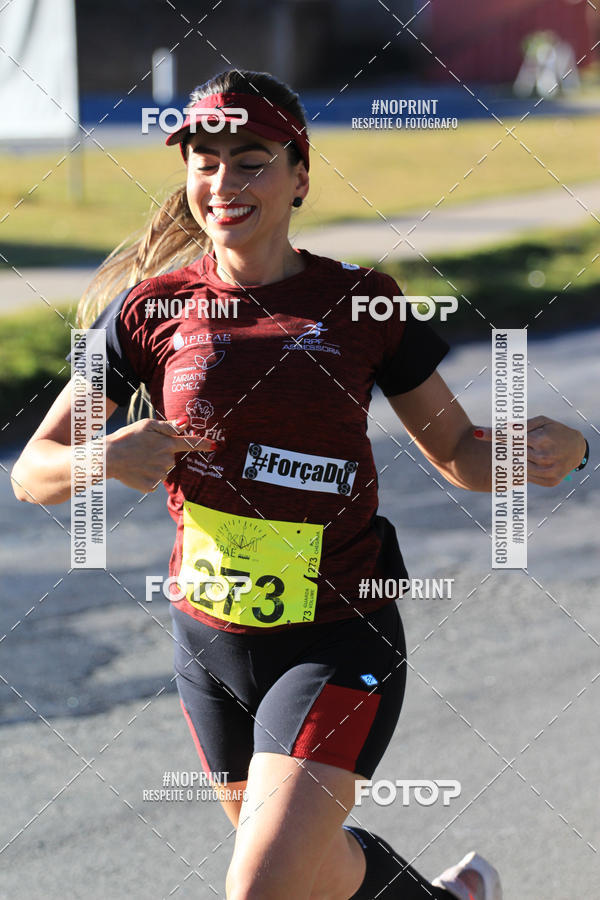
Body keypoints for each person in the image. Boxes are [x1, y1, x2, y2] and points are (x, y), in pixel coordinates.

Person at [11, 69, 588, 900]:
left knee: (261, 888)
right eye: (204, 162)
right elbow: (33, 473)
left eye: (251, 161)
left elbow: (460, 450)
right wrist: (103, 459)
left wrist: (565, 453)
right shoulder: (145, 311)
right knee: (310, 874)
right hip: (210, 644)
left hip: (339, 634)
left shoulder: (363, 304)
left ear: (300, 176)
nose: (223, 183)